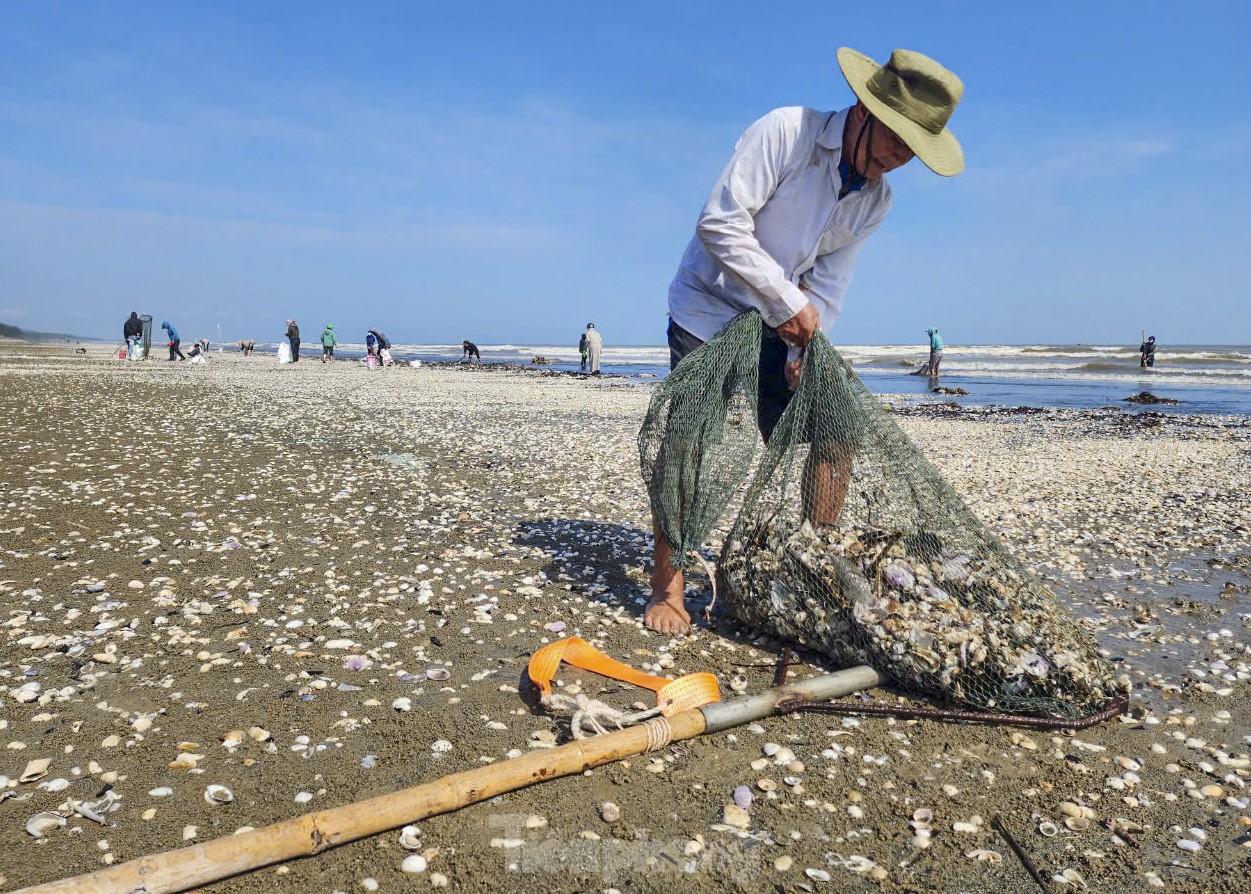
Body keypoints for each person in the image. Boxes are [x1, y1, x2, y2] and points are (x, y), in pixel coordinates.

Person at [646, 47, 965, 635]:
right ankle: (668, 586)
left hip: (779, 323)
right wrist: (785, 303)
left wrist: (801, 351)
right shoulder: (786, 132)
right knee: (689, 439)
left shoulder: (875, 200)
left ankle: (815, 566)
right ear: (866, 112)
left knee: (835, 428)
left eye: (915, 151)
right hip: (709, 306)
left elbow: (829, 284)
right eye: (897, 140)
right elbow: (720, 222)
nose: (900, 160)